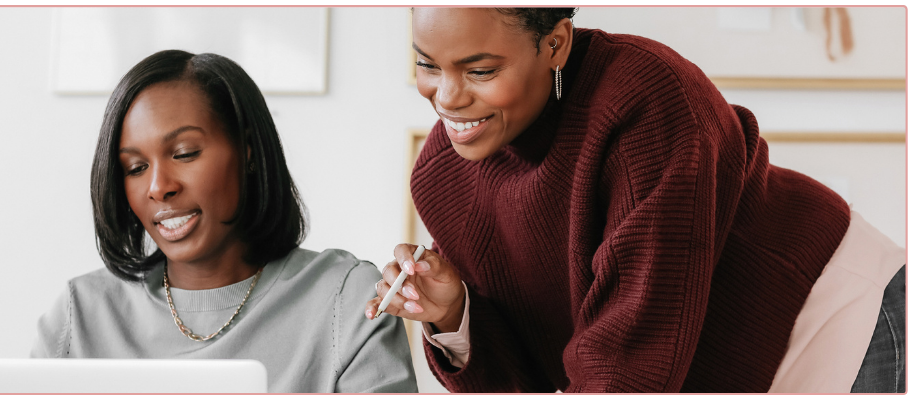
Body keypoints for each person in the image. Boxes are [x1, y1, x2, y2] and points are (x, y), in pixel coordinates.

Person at [366, 7, 906, 393]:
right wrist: (456, 312)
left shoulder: (645, 97)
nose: (448, 96)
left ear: (554, 43)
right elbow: (525, 380)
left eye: (480, 70)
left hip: (831, 314)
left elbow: (632, 350)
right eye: (428, 65)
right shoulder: (442, 174)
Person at [31, 50, 417, 393]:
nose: (158, 187)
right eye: (135, 167)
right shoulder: (79, 314)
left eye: (184, 153)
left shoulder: (345, 301)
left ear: (248, 153)